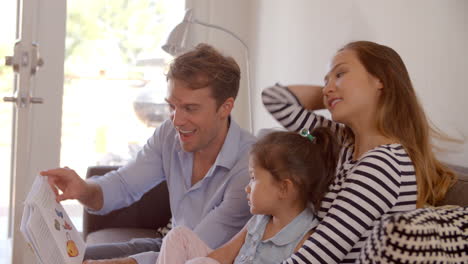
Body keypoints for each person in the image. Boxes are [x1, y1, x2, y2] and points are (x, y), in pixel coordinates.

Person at [40, 43, 256, 264]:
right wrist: (83, 190)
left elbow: (194, 254)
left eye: (190, 108)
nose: (177, 120)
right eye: (172, 106)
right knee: (64, 258)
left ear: (225, 107)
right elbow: (124, 185)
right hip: (168, 245)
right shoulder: (169, 134)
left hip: (204, 257)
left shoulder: (249, 168)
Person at [262, 40, 457, 263]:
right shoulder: (339, 141)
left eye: (340, 73)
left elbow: (317, 257)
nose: (326, 87)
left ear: (380, 79)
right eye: (325, 81)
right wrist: (334, 94)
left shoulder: (383, 164)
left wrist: (337, 94)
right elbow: (275, 100)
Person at [154, 128, 340, 264]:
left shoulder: (306, 238)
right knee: (178, 236)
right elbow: (224, 255)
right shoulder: (259, 220)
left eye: (253, 178)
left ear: (284, 188)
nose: (247, 188)